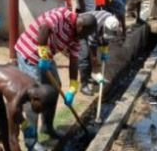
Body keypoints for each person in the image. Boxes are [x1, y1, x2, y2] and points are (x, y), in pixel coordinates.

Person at [15, 7, 97, 140]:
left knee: (54, 88)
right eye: (84, 35)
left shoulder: (76, 37)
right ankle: (32, 140)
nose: (83, 38)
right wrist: (43, 53)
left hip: (45, 56)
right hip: (29, 51)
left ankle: (47, 127)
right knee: (35, 95)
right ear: (81, 27)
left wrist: (73, 87)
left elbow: (74, 60)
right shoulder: (62, 15)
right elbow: (44, 28)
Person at [78, 10, 121, 96]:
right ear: (104, 26)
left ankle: (89, 76)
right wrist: (94, 59)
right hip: (80, 29)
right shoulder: (95, 25)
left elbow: (105, 39)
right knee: (85, 57)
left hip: (91, 30)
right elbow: (92, 44)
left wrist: (104, 52)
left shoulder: (112, 22)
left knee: (91, 56)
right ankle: (84, 86)